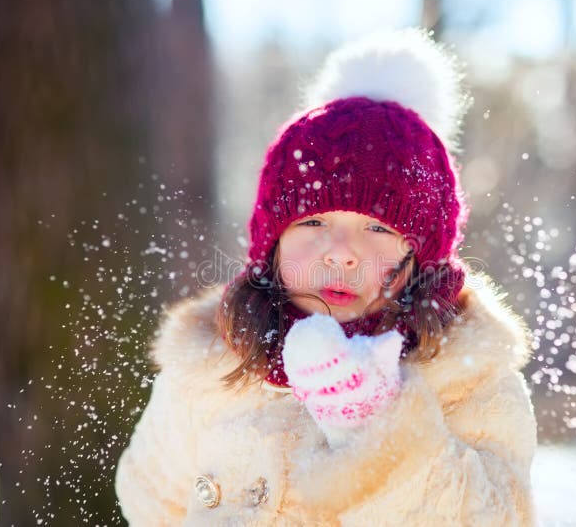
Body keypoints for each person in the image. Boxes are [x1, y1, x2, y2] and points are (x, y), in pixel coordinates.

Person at [115, 28, 537, 526]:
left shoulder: (465, 372)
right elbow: (149, 496)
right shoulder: (215, 362)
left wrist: (376, 425)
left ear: (424, 258)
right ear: (269, 244)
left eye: (379, 228)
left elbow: (497, 517)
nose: (341, 254)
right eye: (313, 222)